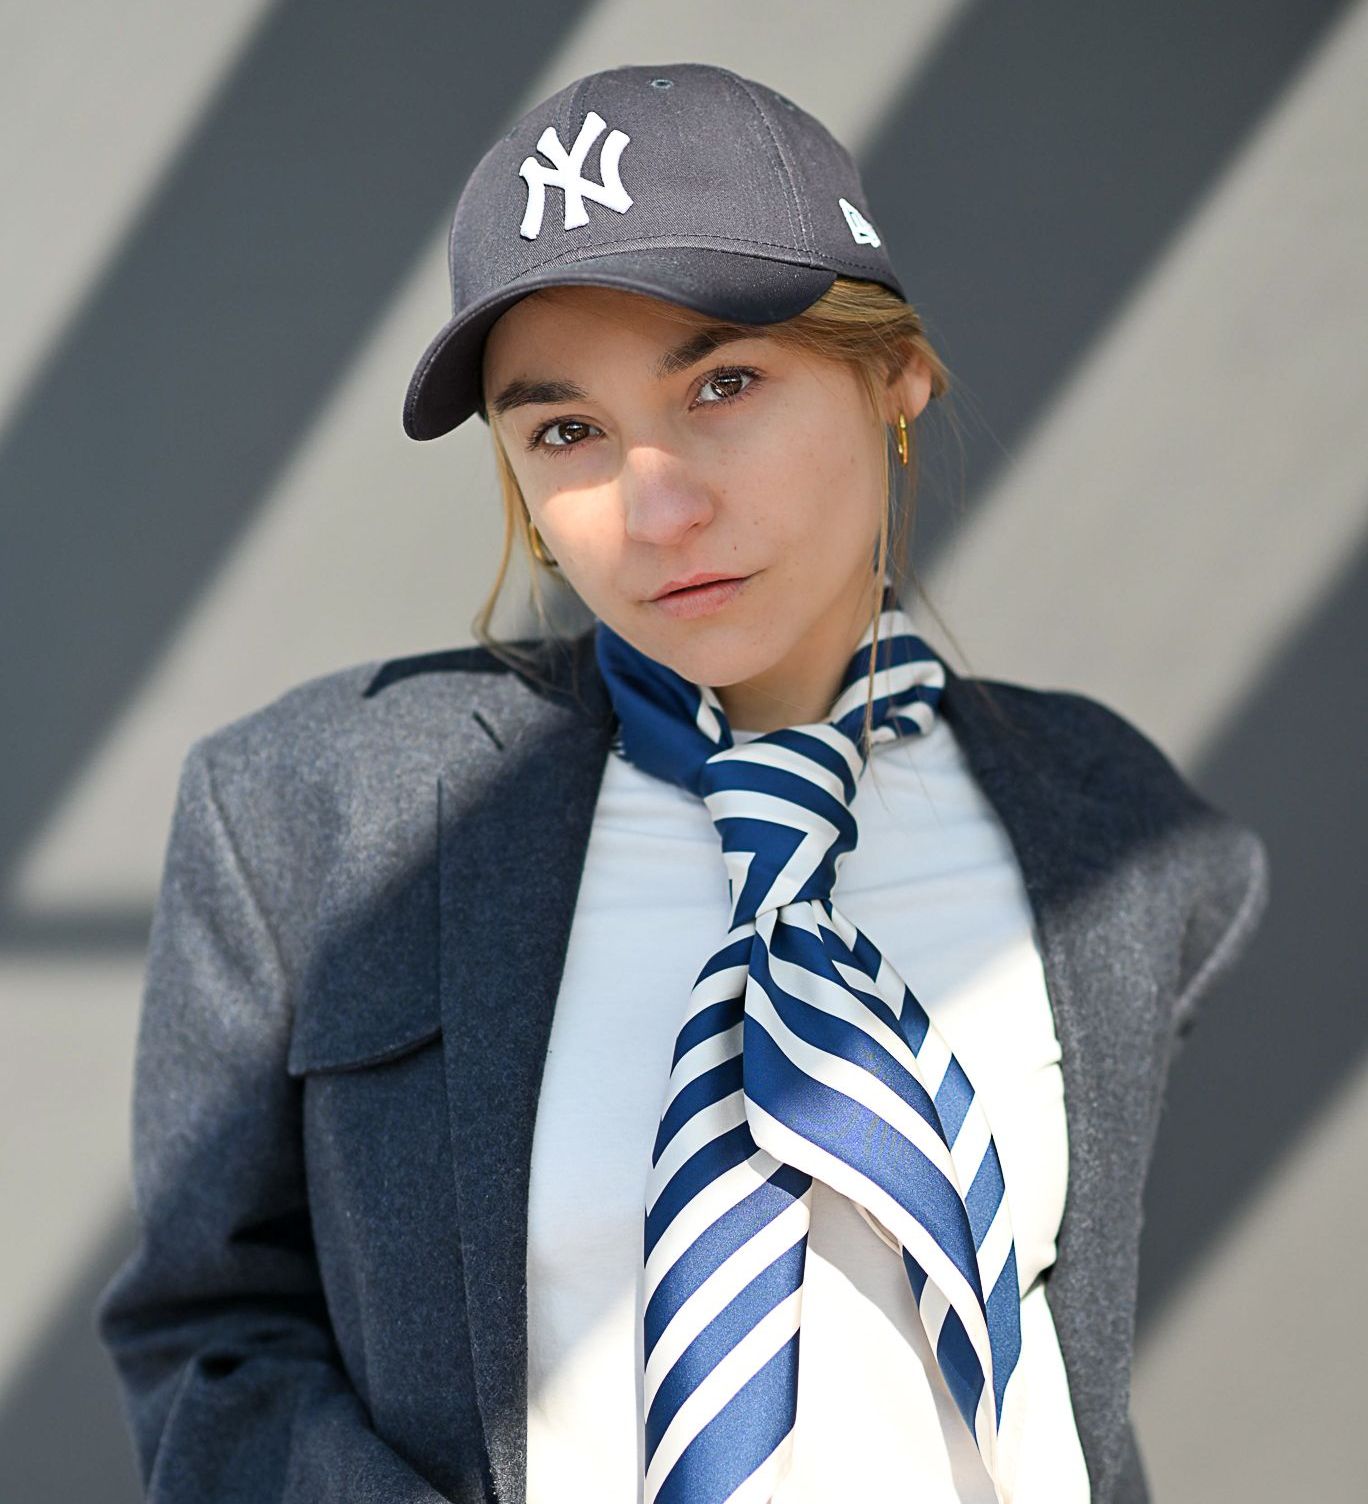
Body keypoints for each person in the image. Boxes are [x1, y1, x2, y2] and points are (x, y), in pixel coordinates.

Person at [96, 63, 1270, 1504]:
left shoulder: (1121, 832)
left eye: (725, 384)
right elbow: (212, 1338)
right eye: (566, 432)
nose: (659, 508)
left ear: (895, 375)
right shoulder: (313, 817)